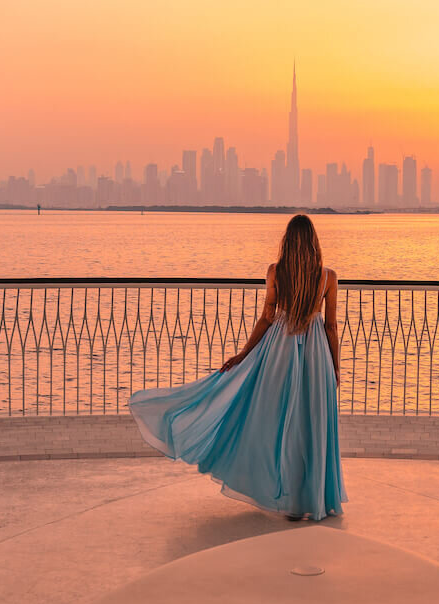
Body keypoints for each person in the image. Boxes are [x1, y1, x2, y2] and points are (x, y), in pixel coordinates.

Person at [129, 214, 346, 521]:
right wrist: (335, 367)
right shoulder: (328, 277)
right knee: (312, 425)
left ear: (288, 242)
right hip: (316, 357)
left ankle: (289, 499)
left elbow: (267, 317)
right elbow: (332, 327)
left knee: (277, 423)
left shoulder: (276, 272)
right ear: (314, 242)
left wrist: (244, 354)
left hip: (278, 353)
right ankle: (314, 498)